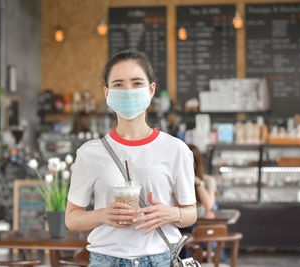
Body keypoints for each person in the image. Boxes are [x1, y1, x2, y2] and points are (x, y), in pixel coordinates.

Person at [66, 51, 197, 267]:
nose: (128, 90)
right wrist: (103, 215)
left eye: (137, 83)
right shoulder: (89, 153)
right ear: (107, 93)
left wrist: (171, 213)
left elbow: (191, 213)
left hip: (161, 260)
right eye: (118, 84)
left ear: (151, 89)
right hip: (105, 261)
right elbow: (71, 219)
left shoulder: (176, 150)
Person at [188, 144, 217, 212]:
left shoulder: (208, 180)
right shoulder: (176, 180)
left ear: (196, 163)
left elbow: (209, 205)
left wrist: (197, 182)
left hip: (203, 220)